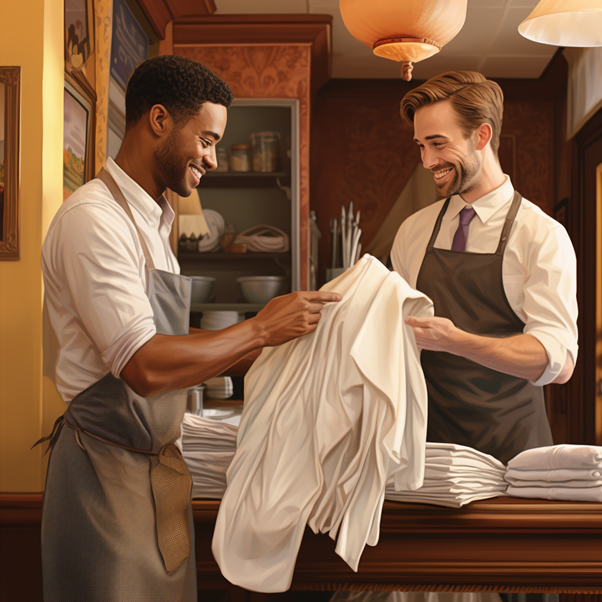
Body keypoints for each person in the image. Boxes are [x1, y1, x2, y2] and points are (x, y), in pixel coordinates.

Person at [39, 55, 341, 602]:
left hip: (157, 477)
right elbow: (147, 365)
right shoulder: (93, 220)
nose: (213, 158)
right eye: (206, 139)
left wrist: (302, 344)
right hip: (103, 478)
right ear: (158, 120)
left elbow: (181, 349)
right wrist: (259, 330)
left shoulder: (157, 223)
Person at [391, 71, 578, 464]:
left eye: (438, 144)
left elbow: (556, 360)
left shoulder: (542, 235)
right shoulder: (413, 232)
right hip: (428, 452)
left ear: (482, 135)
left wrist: (455, 340)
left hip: (516, 454)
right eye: (421, 146)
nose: (427, 161)